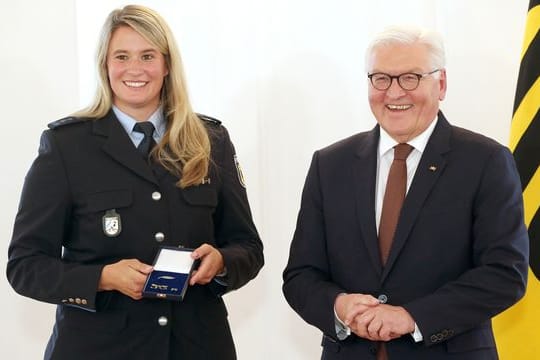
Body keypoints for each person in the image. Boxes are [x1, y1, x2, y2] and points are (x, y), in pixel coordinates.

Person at [6, 5, 263, 360]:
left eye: (148, 55)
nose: (135, 69)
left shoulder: (210, 140)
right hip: (97, 349)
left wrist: (220, 262)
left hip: (196, 347)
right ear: (105, 65)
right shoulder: (67, 145)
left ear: (167, 64)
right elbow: (25, 266)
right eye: (122, 56)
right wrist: (103, 277)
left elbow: (248, 247)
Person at [282, 25, 528, 360]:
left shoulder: (486, 161)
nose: (394, 92)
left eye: (410, 77)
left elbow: (505, 274)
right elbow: (300, 275)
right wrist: (339, 306)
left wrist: (412, 317)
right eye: (381, 78)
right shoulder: (330, 164)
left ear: (440, 84)